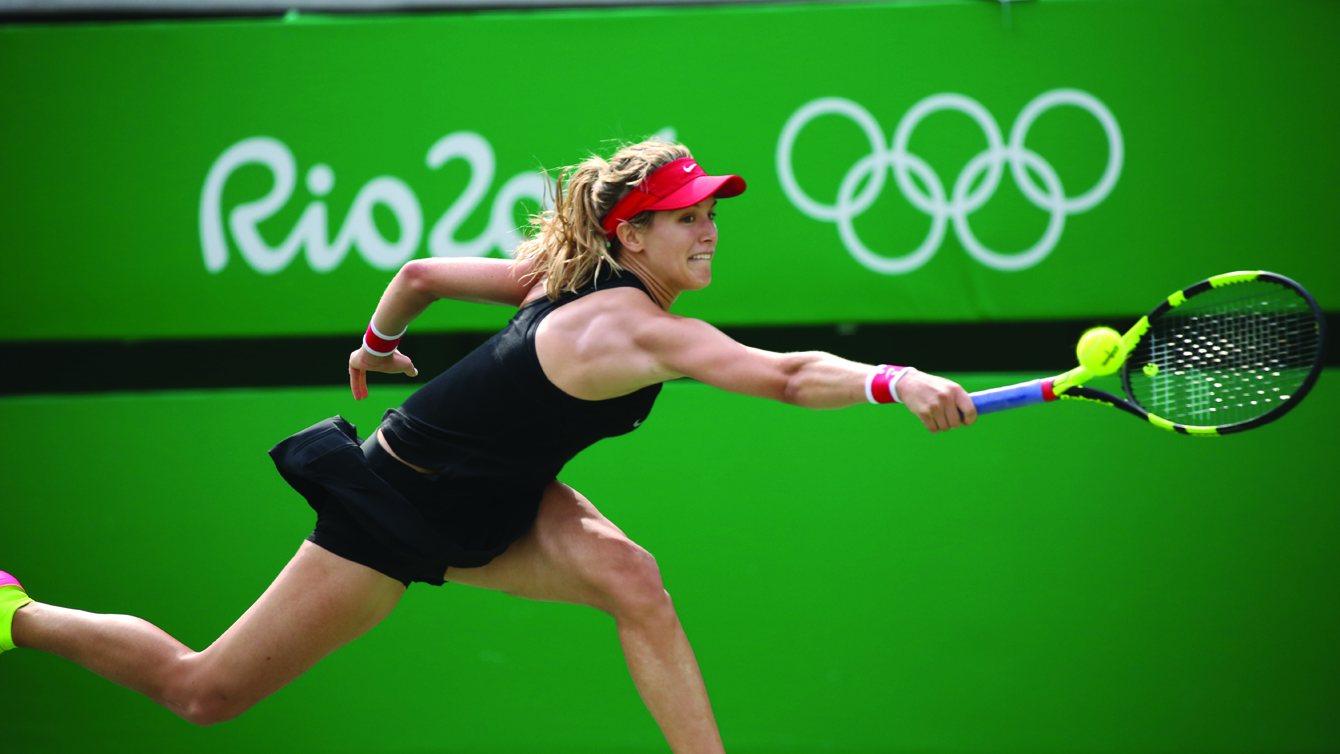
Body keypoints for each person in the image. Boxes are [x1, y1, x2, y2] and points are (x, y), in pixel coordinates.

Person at [0, 140, 976, 754]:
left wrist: (375, 345)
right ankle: (18, 614)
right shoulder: (633, 329)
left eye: (710, 212)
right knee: (204, 691)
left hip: (504, 495)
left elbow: (417, 272)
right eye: (687, 216)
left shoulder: (552, 276)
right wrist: (901, 382)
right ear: (630, 240)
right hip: (400, 502)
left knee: (633, 579)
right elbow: (788, 375)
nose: (707, 229)